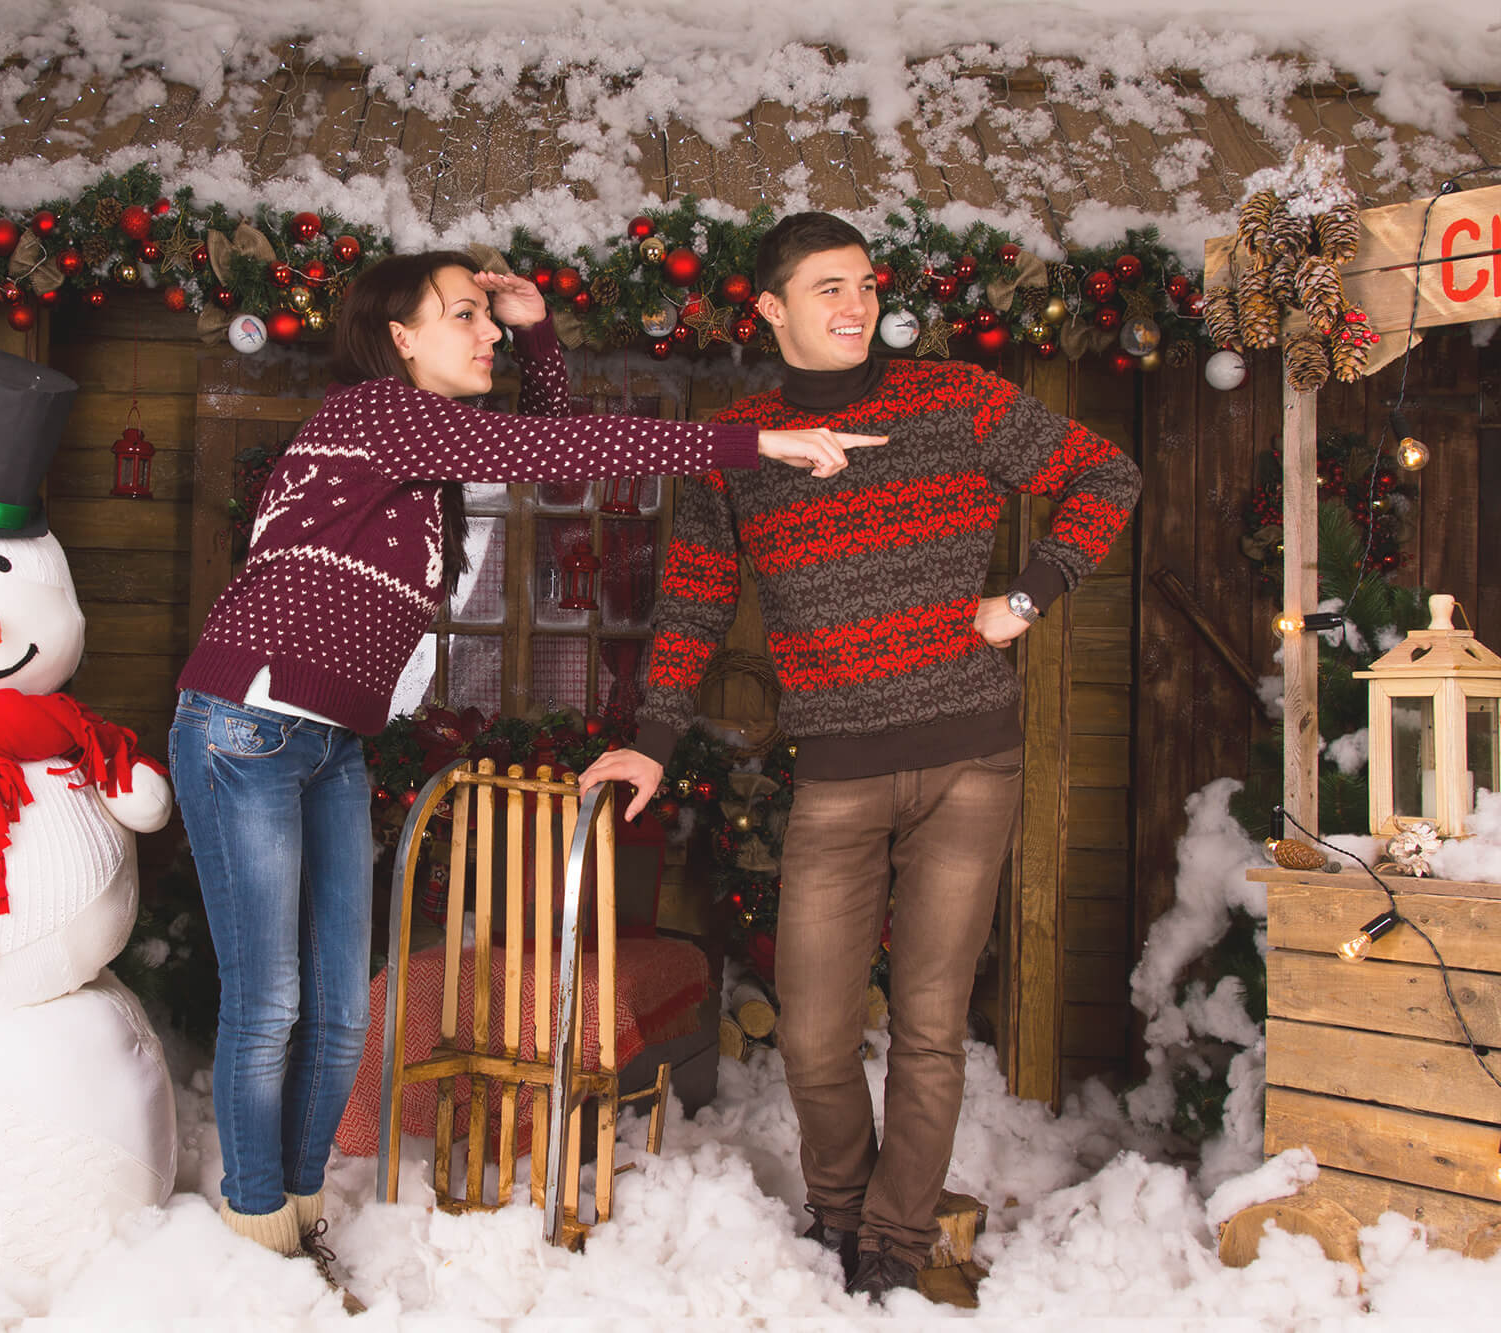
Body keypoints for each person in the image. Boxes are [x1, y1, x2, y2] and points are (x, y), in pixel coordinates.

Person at [170, 250, 886, 1296]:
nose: (486, 335)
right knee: (271, 998)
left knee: (335, 1012)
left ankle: (297, 1219)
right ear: (399, 337)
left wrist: (537, 326)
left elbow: (553, 447)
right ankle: (253, 1226)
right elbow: (563, 438)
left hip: (326, 741)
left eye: (486, 320)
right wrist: (758, 437)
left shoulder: (424, 441)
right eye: (462, 316)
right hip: (247, 721)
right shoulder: (375, 412)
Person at [580, 213, 1141, 1302]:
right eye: (826, 288)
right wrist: (649, 743)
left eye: (865, 285)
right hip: (836, 765)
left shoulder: (958, 401)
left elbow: (1103, 476)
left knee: (930, 1024)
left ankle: (890, 1234)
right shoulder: (734, 448)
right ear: (771, 310)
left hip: (970, 758)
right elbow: (694, 604)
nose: (854, 306)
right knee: (813, 1030)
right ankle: (835, 1204)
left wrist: (1027, 596)